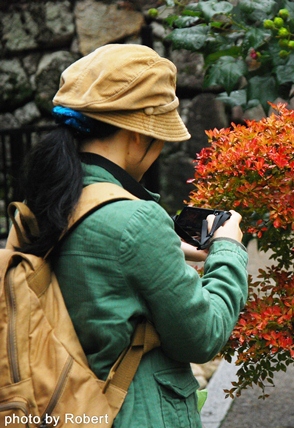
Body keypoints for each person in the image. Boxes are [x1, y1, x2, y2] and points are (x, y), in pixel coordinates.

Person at [15, 44, 248, 427]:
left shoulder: (46, 201)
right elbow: (203, 337)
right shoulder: (136, 219)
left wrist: (167, 251)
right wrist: (228, 250)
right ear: (139, 135)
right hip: (133, 412)